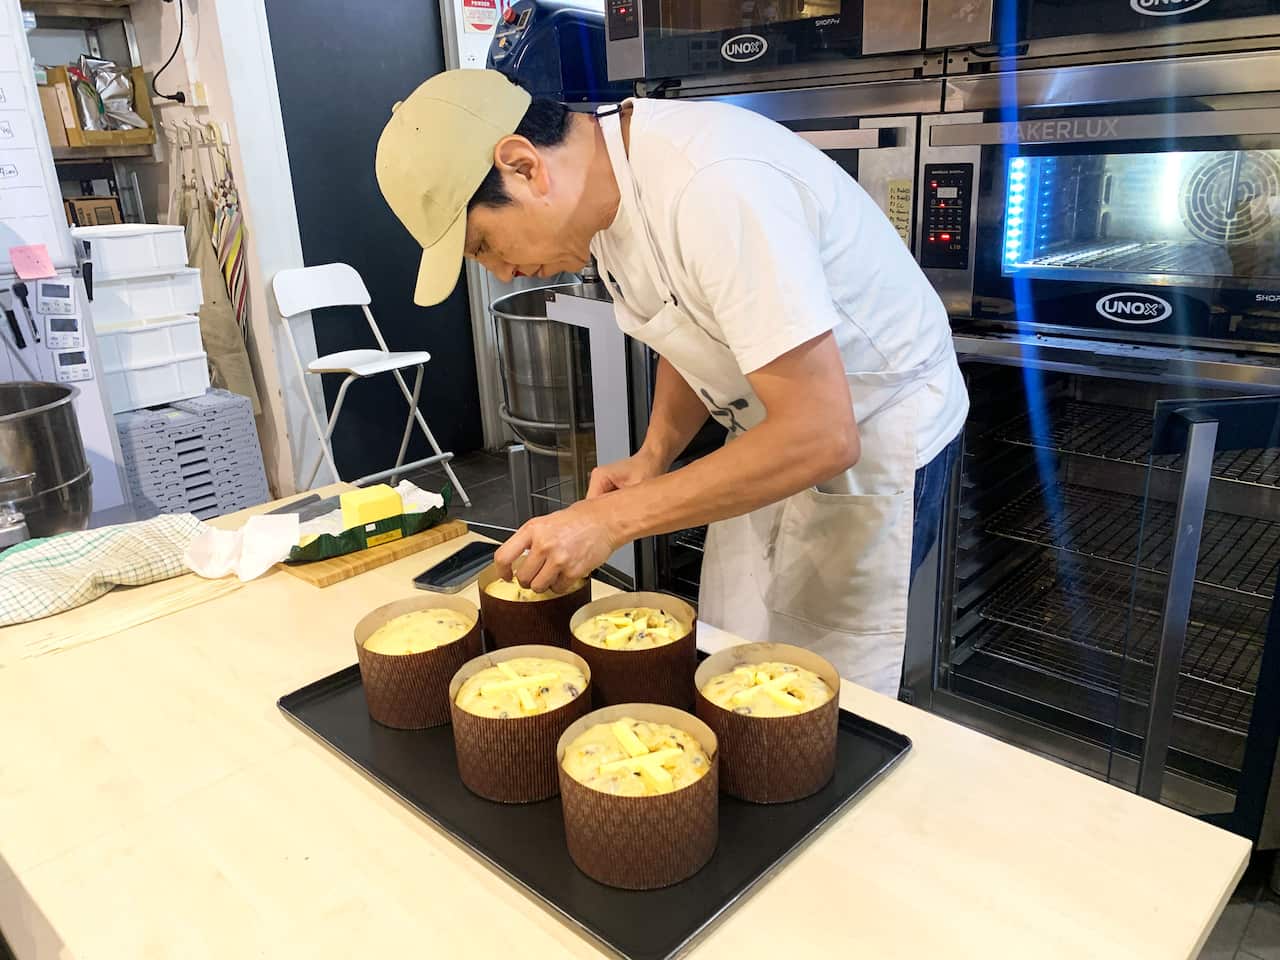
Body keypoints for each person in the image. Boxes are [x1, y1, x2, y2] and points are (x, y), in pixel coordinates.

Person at [376, 69, 968, 696]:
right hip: (769, 427)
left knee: (815, 687)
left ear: (523, 166)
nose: (502, 274)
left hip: (871, 434)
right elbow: (688, 329)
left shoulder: (712, 185)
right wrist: (655, 455)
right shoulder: (603, 200)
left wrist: (609, 521)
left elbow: (823, 435)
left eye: (485, 245)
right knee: (734, 654)